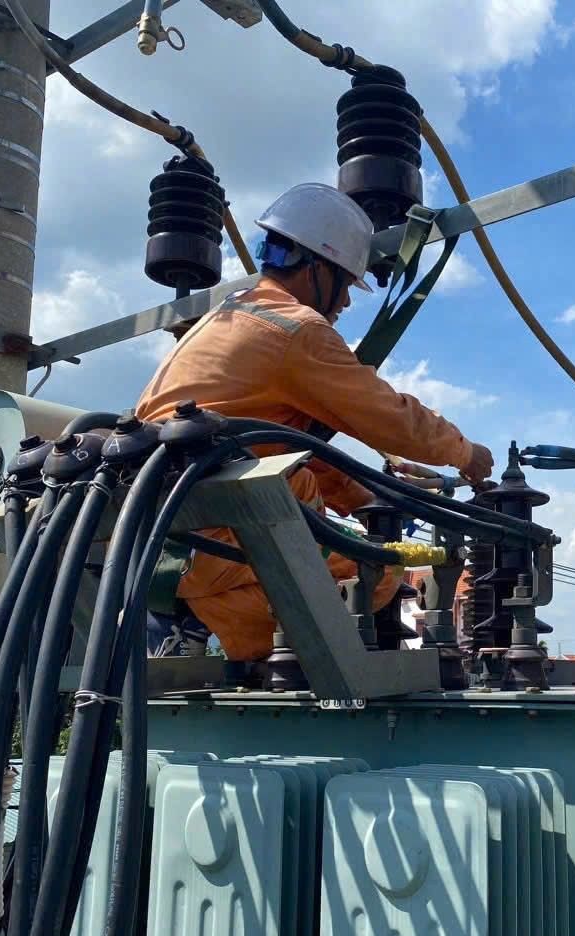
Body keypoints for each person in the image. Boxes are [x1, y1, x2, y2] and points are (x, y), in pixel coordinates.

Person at [137, 183, 493, 662]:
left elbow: (280, 448)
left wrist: (361, 499)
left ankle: (190, 622)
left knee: (315, 518)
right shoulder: (296, 329)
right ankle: (211, 630)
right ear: (315, 267)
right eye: (344, 283)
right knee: (377, 572)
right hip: (215, 536)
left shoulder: (224, 319)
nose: (345, 301)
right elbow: (388, 415)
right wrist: (466, 453)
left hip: (169, 530)